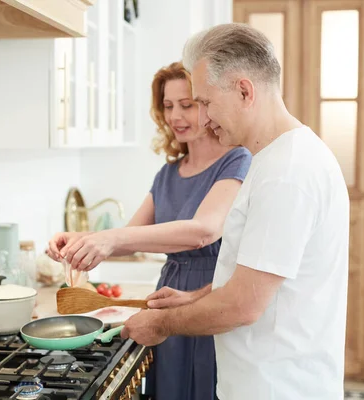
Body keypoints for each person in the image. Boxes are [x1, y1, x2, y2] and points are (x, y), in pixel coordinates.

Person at [120, 24, 350, 400]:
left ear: (244, 91)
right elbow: (264, 278)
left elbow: (243, 305)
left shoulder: (286, 173)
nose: (204, 118)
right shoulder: (275, 159)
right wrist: (194, 298)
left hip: (278, 388)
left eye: (206, 102)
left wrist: (162, 323)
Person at [47, 61, 252, 400]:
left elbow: (203, 231)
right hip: (165, 299)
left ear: (207, 103)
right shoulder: (168, 173)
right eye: (168, 106)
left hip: (211, 296)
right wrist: (80, 241)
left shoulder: (237, 161)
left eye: (187, 105)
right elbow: (129, 239)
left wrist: (109, 239)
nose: (175, 116)